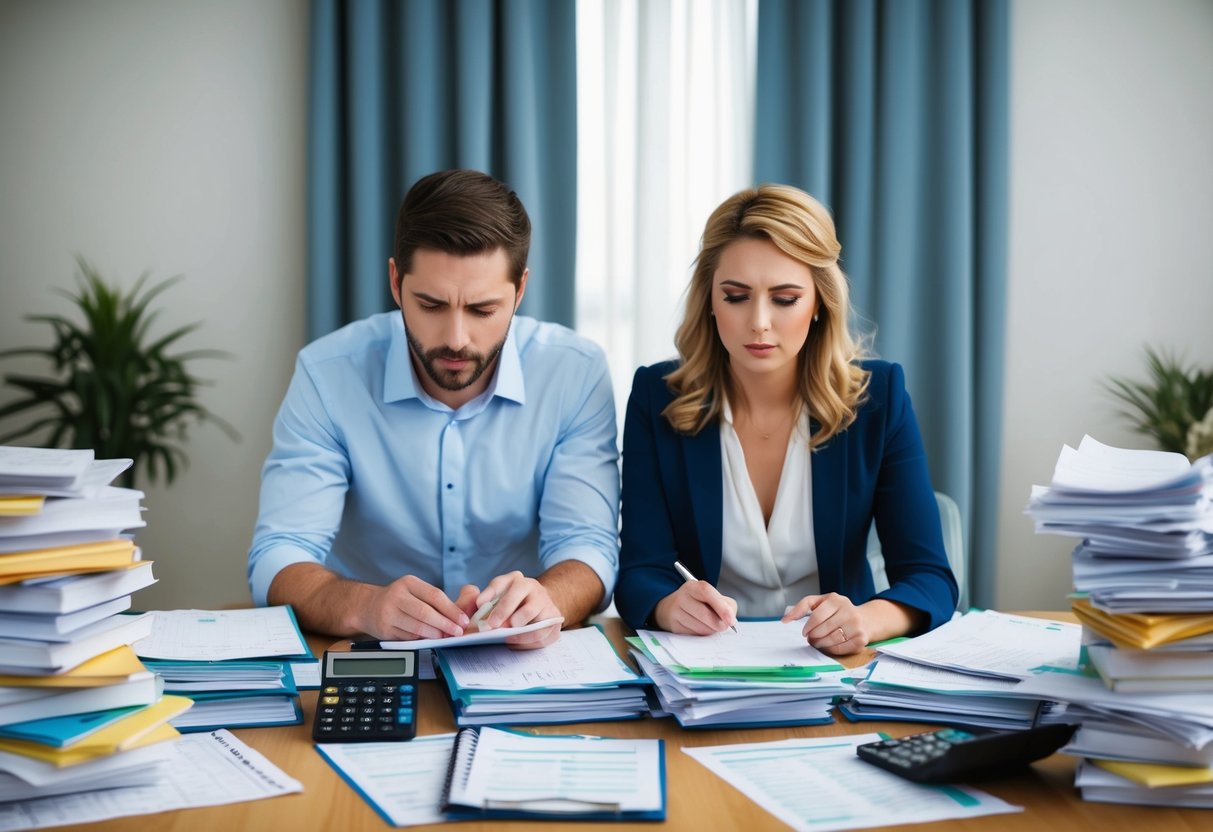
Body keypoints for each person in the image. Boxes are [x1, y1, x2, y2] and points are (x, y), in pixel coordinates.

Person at [248, 169, 619, 649]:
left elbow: (588, 545)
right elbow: (279, 556)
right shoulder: (327, 374)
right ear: (396, 282)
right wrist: (365, 605)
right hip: (369, 655)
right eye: (431, 304)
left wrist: (548, 599)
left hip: (516, 660)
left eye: (483, 310)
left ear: (520, 291)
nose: (456, 339)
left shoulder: (574, 372)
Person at [615, 184, 957, 655]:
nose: (758, 322)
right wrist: (668, 606)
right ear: (710, 301)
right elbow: (639, 572)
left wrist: (866, 619)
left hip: (837, 667)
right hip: (705, 666)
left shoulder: (878, 398)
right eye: (736, 296)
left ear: (819, 302)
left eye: (785, 298)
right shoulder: (657, 398)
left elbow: (929, 579)